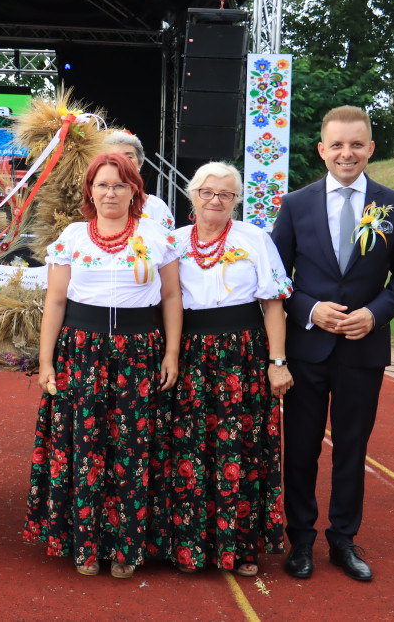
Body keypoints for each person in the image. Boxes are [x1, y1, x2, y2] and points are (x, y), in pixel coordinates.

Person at [272, 106, 394, 582]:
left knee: (352, 449)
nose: (346, 153)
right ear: (321, 149)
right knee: (299, 448)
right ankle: (299, 541)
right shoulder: (295, 204)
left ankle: (342, 540)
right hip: (306, 350)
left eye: (356, 144)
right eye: (336, 144)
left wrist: (375, 313)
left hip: (363, 351)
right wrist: (310, 310)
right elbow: (276, 278)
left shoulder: (393, 205)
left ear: (371, 148)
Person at [25, 152, 183, 579]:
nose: (110, 192)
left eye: (119, 184)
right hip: (81, 352)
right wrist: (45, 362)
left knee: (131, 450)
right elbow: (55, 301)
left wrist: (171, 353)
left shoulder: (156, 236)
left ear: (134, 190)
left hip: (138, 352)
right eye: (102, 185)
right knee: (84, 447)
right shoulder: (73, 236)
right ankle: (85, 544)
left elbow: (171, 297)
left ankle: (127, 547)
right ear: (90, 192)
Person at [167, 162, 293, 577]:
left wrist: (277, 363)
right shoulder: (173, 242)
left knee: (240, 448)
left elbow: (273, 304)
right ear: (193, 195)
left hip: (243, 354)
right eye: (207, 192)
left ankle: (240, 549)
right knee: (189, 447)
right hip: (189, 354)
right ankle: (190, 547)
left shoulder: (255, 239)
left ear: (236, 200)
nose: (215, 200)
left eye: (226, 194)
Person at [104, 129, 175, 230]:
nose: (123, 162)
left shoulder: (156, 207)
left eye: (129, 157)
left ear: (140, 163)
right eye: (115, 157)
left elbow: (169, 243)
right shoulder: (97, 201)